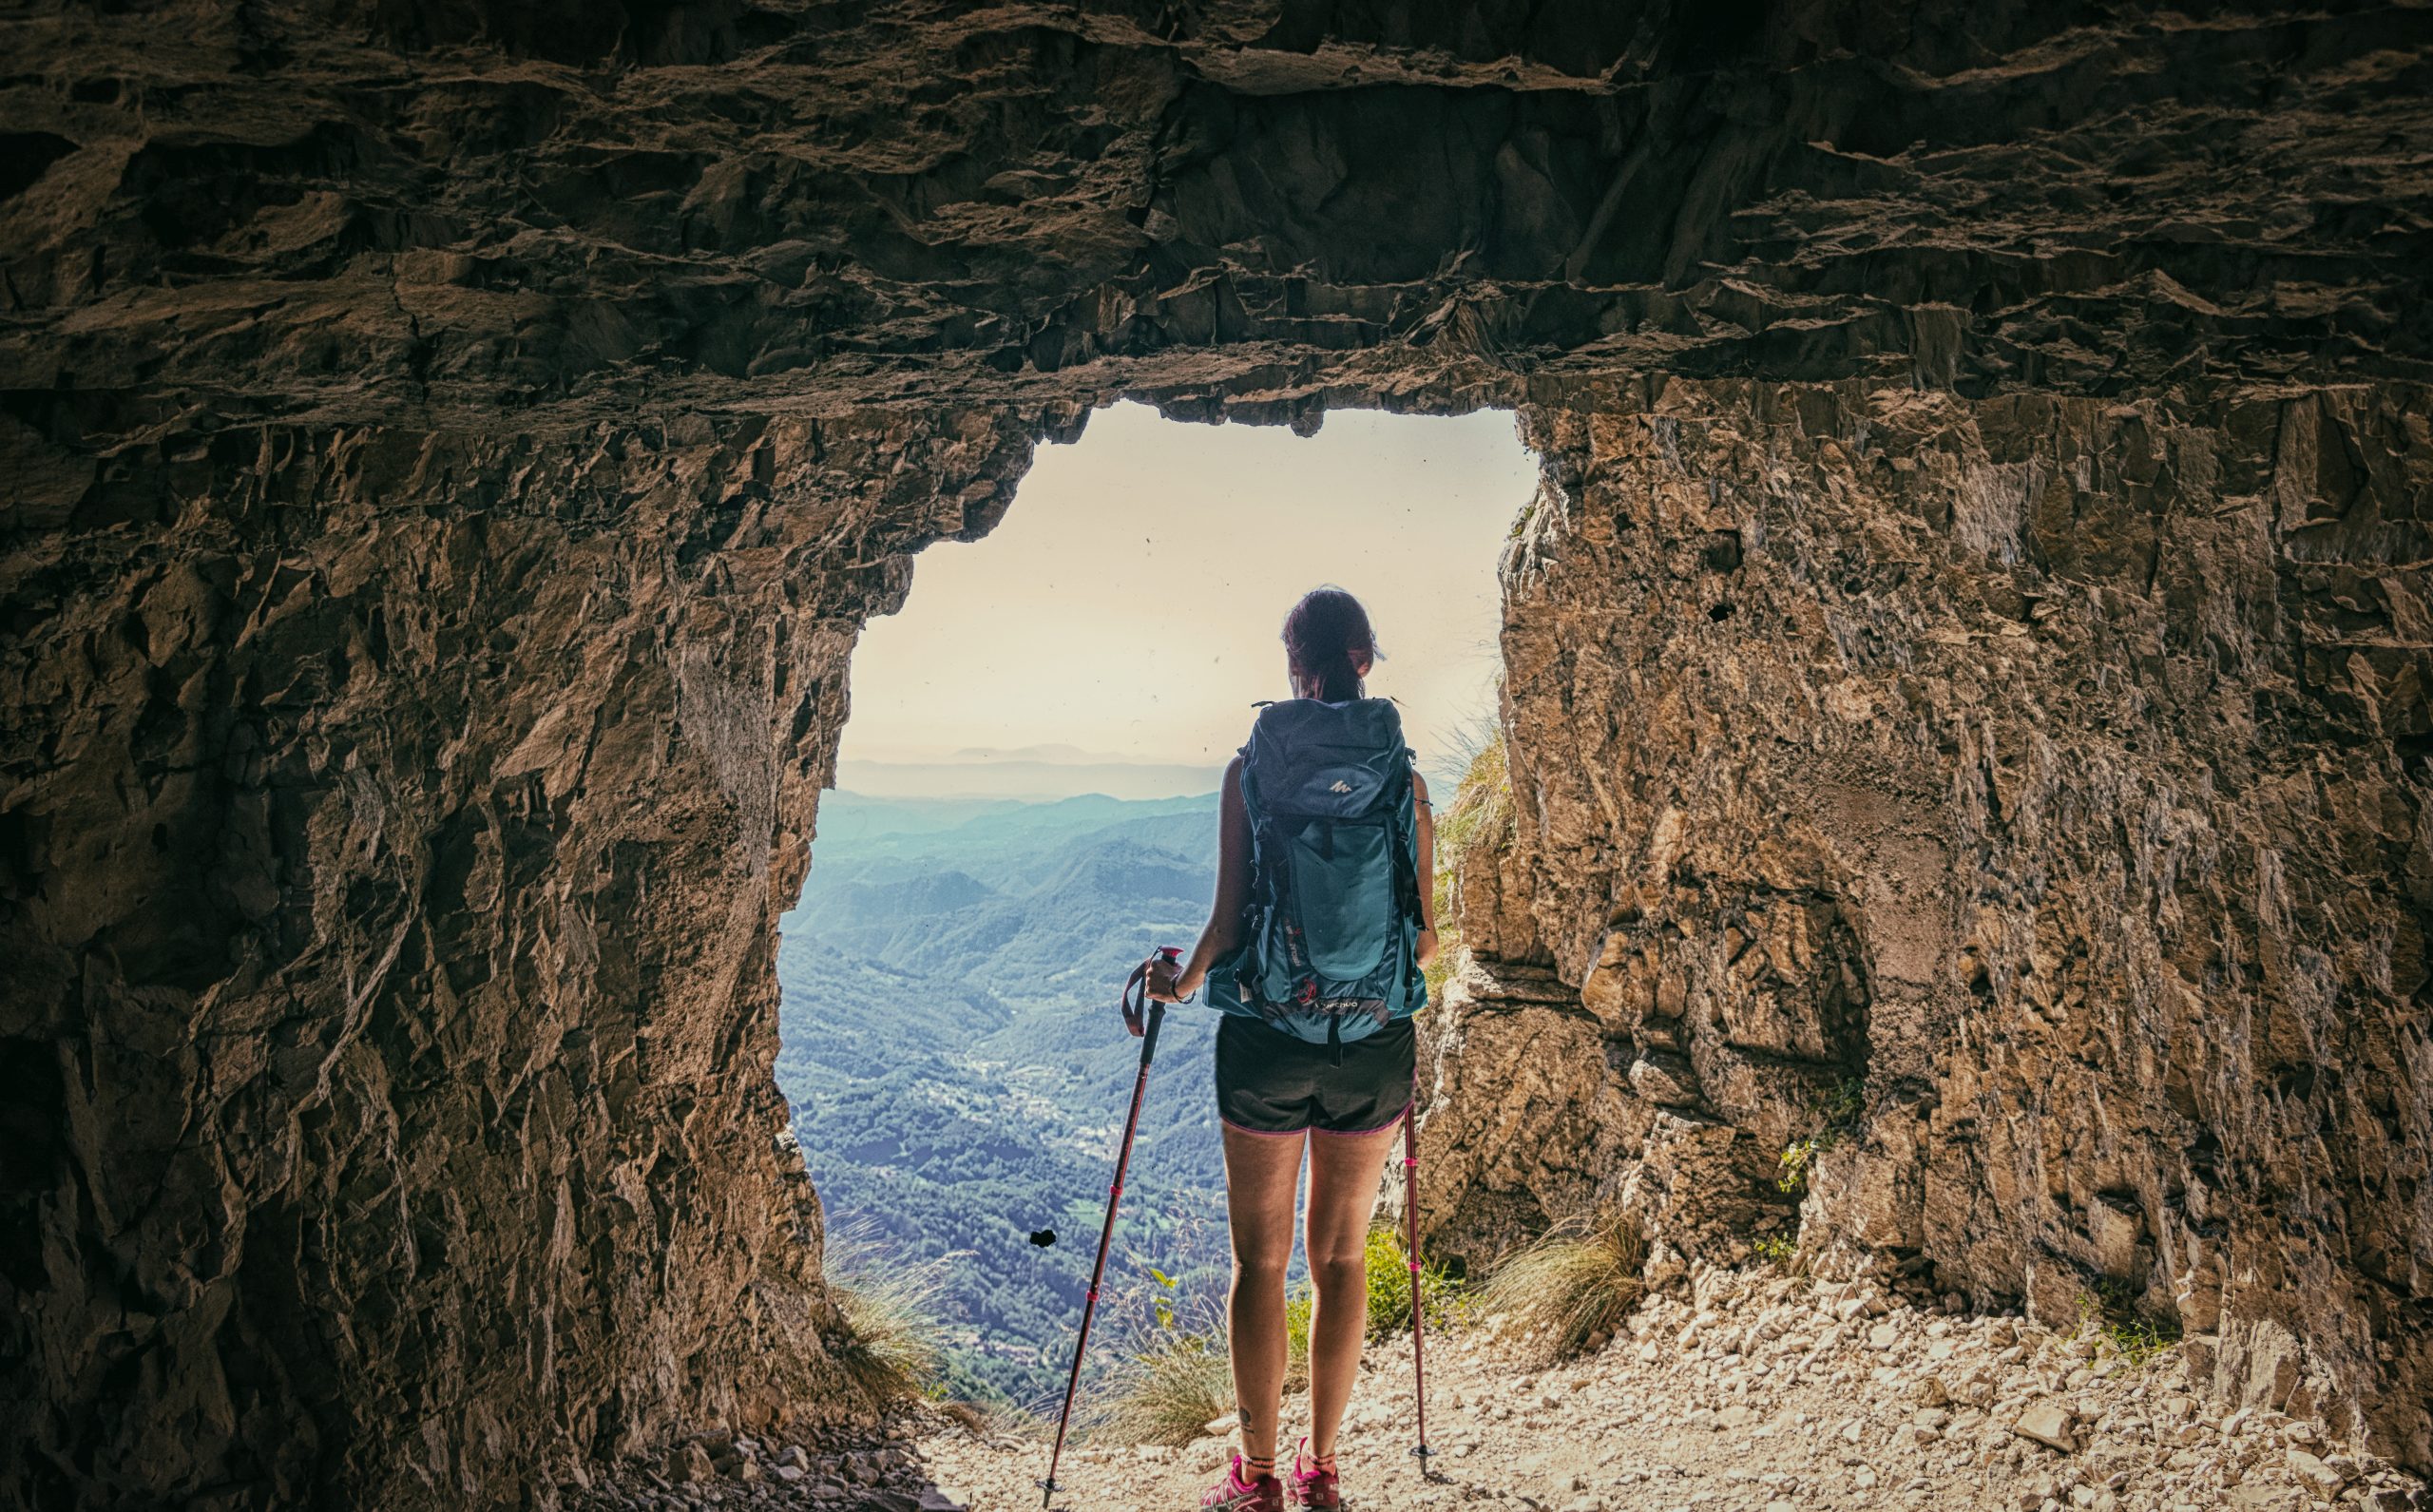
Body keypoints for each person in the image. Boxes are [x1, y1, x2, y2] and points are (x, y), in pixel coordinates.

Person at [1143, 586, 1437, 1512]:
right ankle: (1322, 1468)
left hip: (1268, 1043)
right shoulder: (1407, 780)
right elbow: (1426, 940)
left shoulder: (1251, 769)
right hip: (1373, 1047)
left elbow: (1227, 926)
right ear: (1364, 659)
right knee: (1341, 1259)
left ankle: (1256, 1475)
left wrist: (1177, 985)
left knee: (1260, 1263)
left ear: (1295, 668)